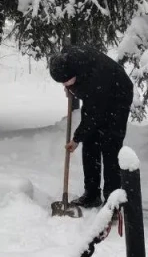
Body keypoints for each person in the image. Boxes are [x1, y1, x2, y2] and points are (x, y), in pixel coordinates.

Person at [48, 47, 134, 208]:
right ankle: (92, 193)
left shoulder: (96, 78)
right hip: (97, 93)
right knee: (90, 144)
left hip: (119, 96)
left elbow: (94, 116)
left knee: (110, 146)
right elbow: (91, 109)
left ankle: (112, 200)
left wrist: (76, 138)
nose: (65, 84)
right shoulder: (67, 59)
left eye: (66, 81)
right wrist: (71, 87)